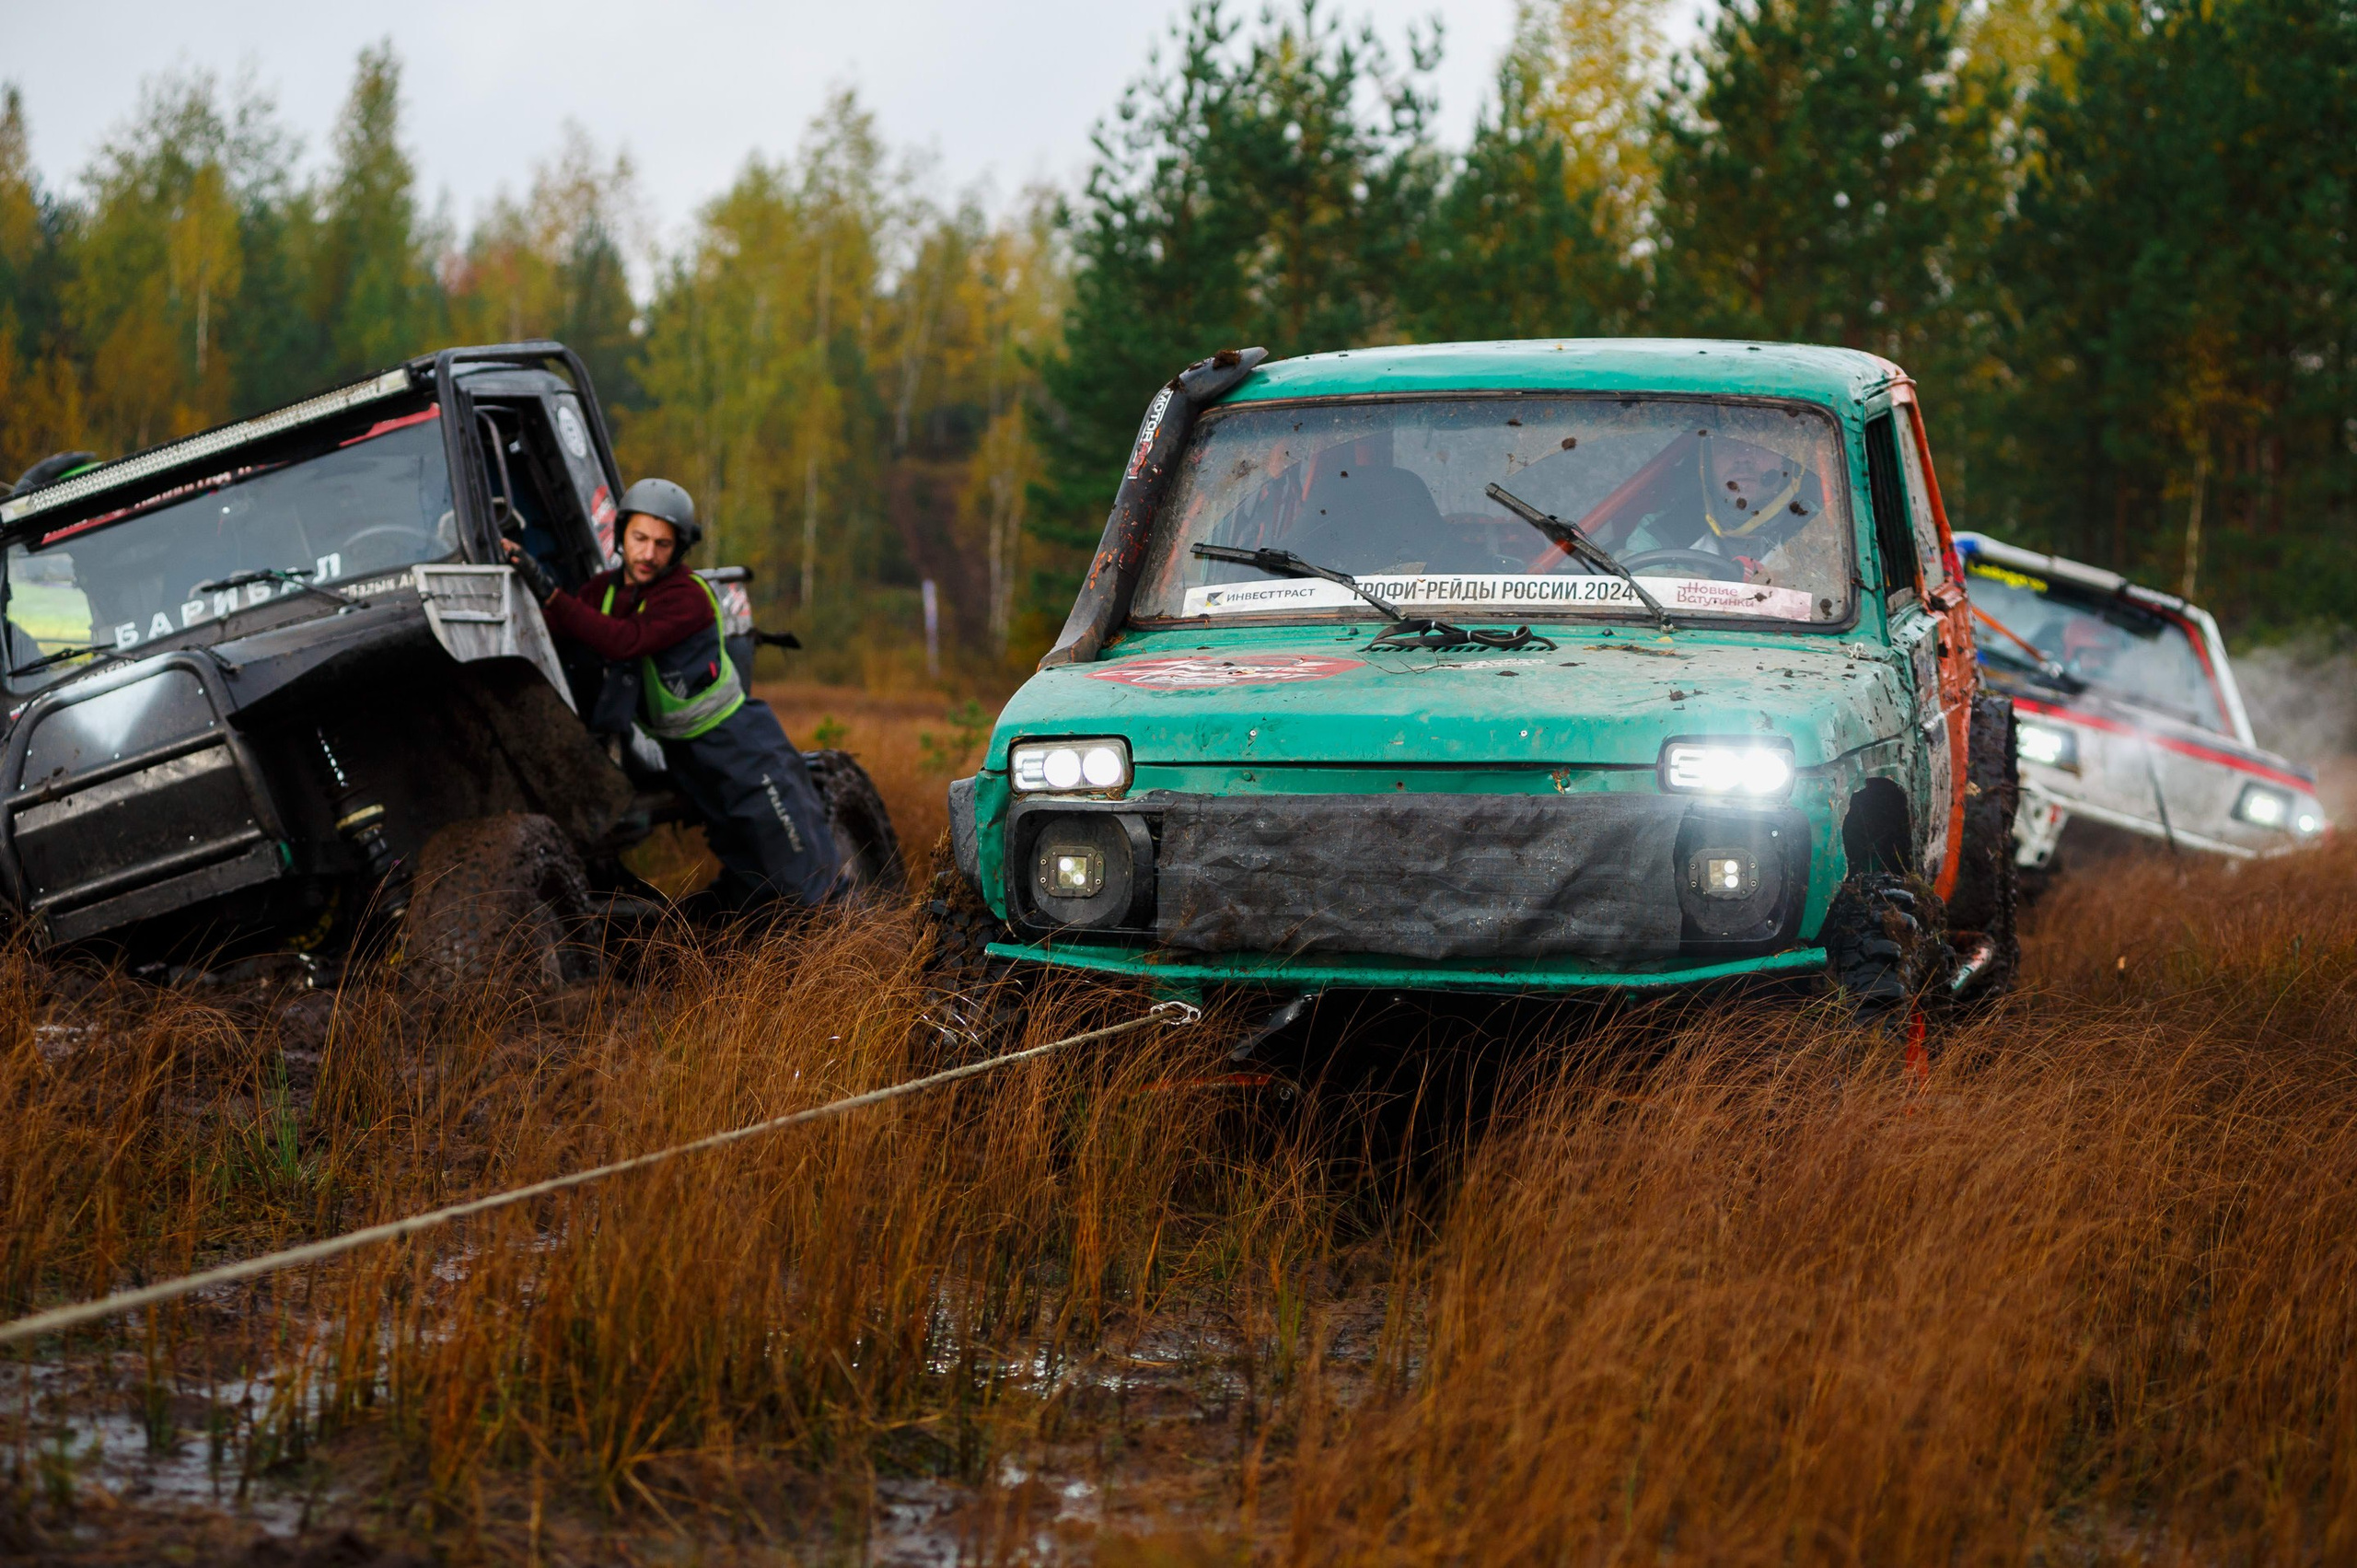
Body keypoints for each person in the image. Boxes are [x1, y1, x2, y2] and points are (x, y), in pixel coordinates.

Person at [503, 478, 843, 912]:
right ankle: (745, 949)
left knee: (800, 865)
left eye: (663, 544)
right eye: (640, 538)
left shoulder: (686, 596)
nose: (648, 553)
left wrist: (548, 590)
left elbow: (623, 641)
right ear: (620, 534)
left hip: (739, 742)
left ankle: (855, 948)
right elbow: (562, 629)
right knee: (745, 862)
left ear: (679, 548)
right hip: (683, 753)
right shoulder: (603, 592)